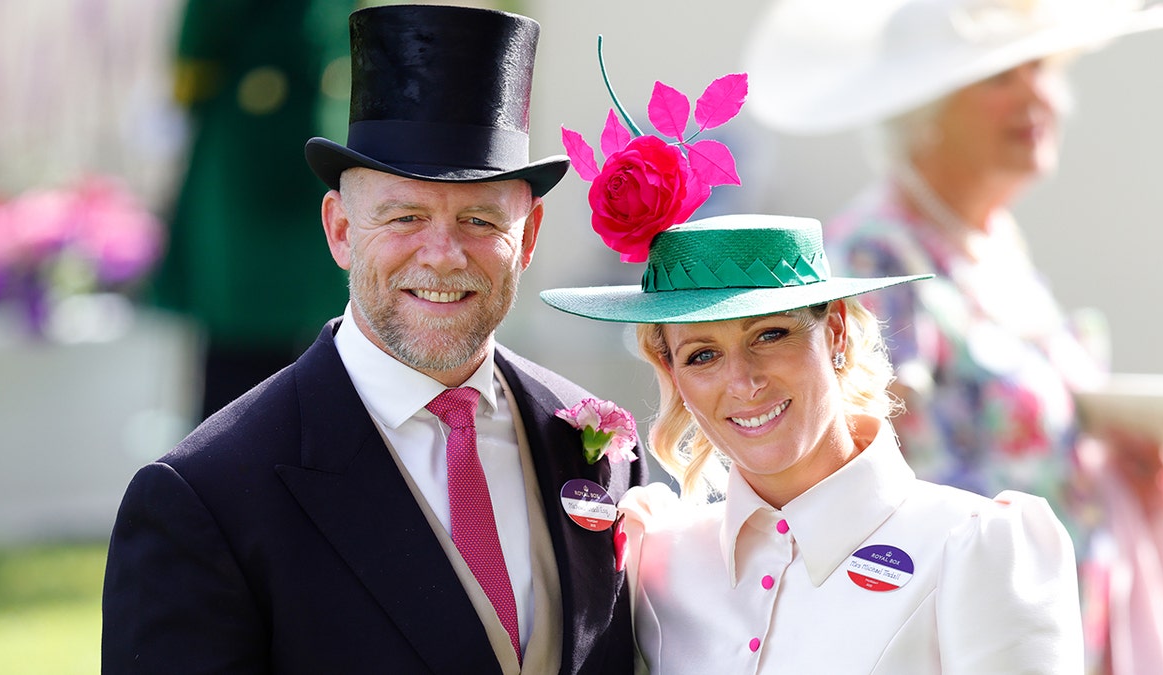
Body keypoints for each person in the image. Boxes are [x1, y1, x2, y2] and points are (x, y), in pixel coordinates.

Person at [101, 6, 646, 673]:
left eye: (479, 218)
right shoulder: (203, 501)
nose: (443, 254)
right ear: (338, 230)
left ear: (527, 239)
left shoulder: (599, 448)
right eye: (404, 216)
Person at [744, 1, 1163, 673]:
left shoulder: (995, 248)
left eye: (1042, 68)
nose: (1040, 94)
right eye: (1000, 76)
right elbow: (850, 476)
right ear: (920, 110)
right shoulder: (877, 260)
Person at [540, 213, 1084, 673]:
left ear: (838, 331)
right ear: (672, 373)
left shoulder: (978, 546)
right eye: (702, 355)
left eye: (770, 335)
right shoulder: (655, 559)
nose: (744, 383)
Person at [154, 0, 358, 419]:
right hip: (289, 143)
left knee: (296, 335)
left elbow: (197, 50)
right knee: (257, 343)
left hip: (272, 142)